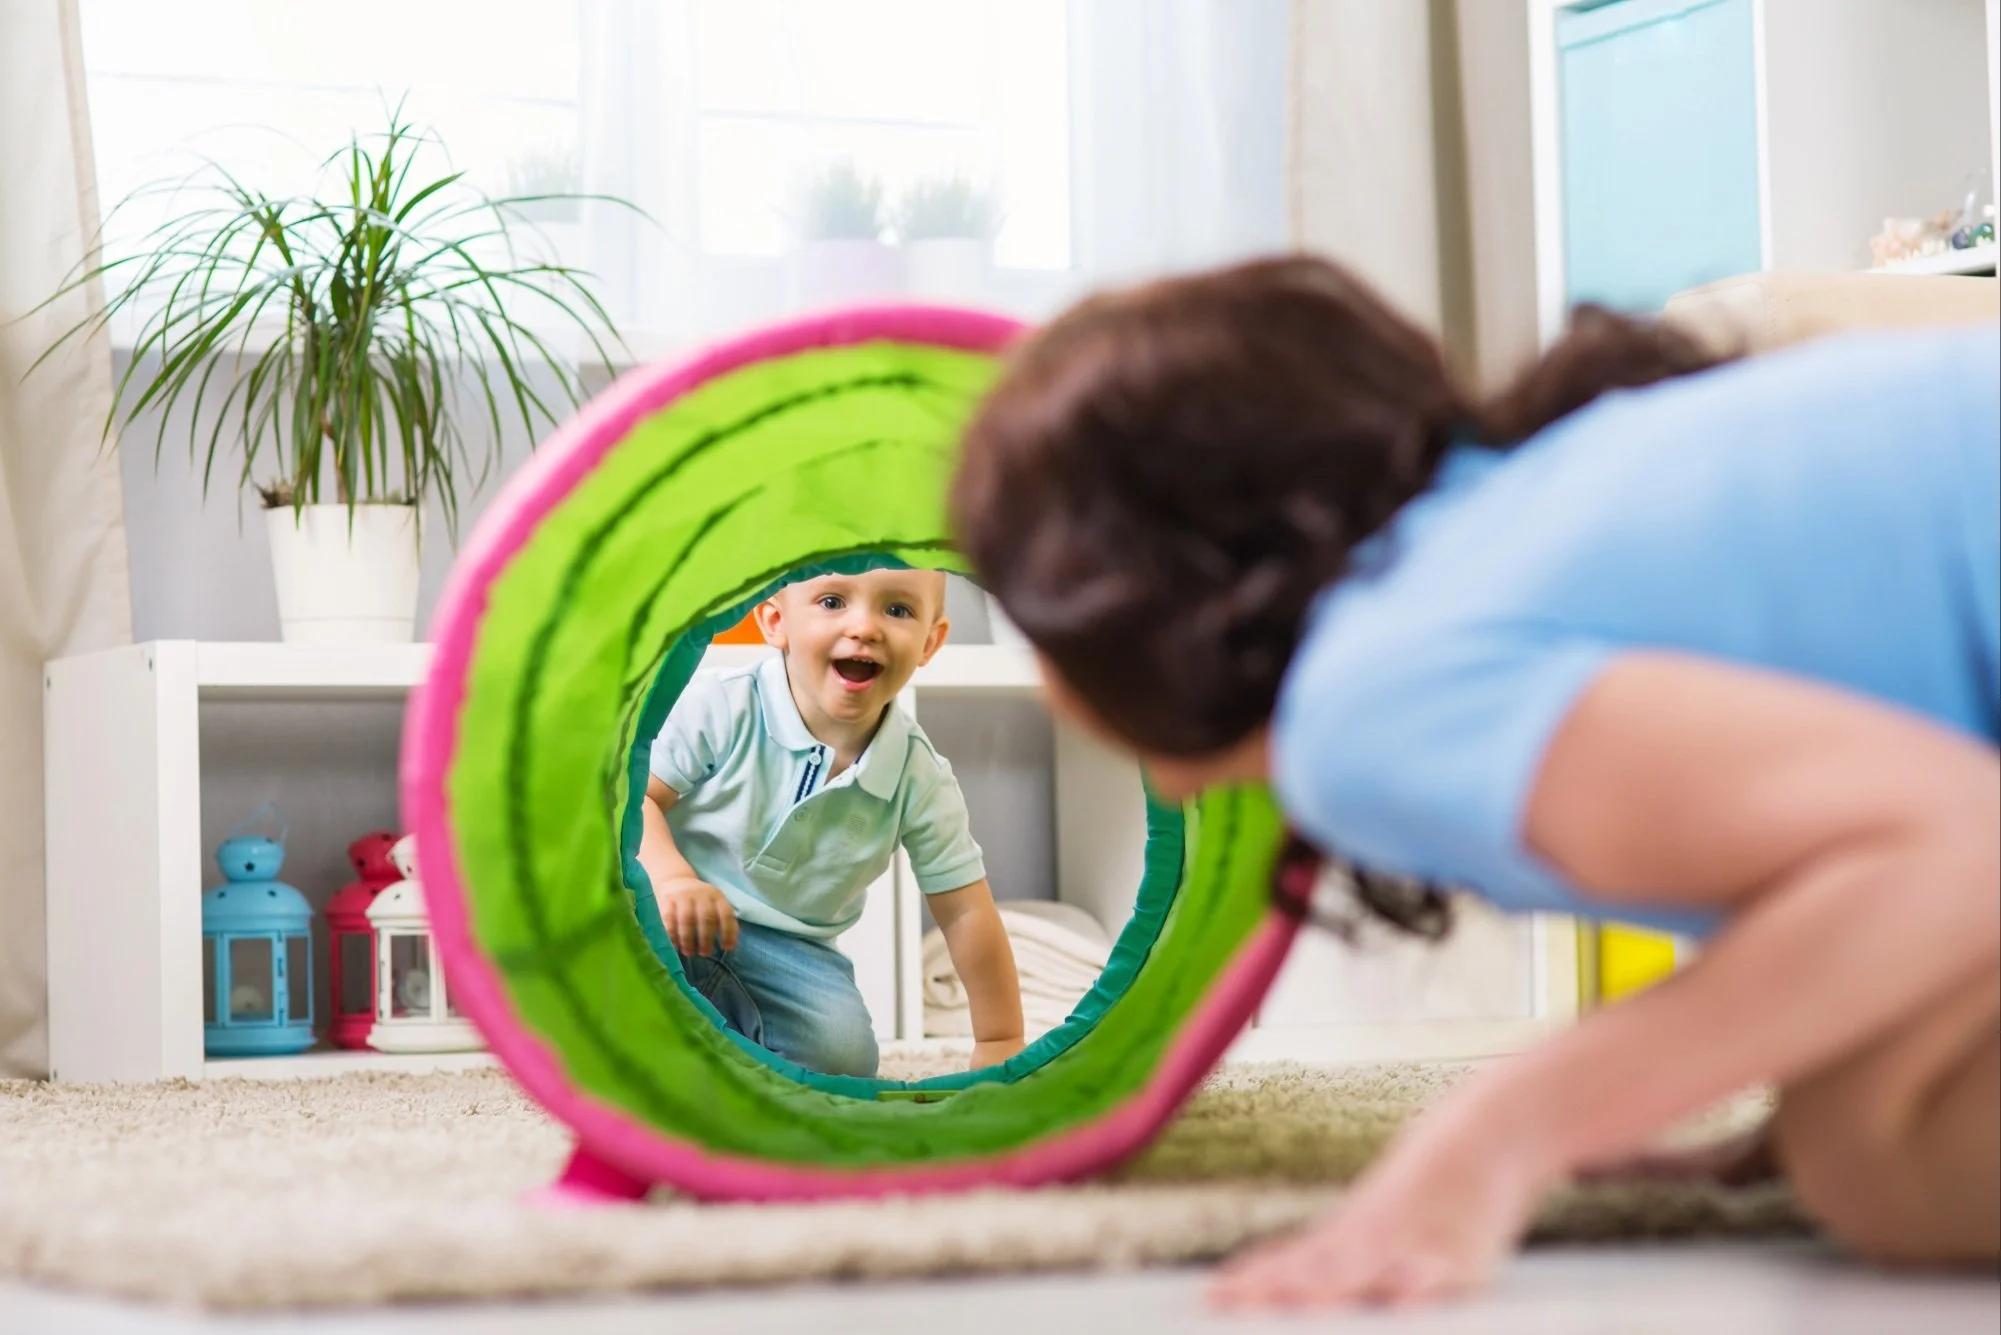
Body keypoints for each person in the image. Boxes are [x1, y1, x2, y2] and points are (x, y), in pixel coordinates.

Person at [951, 255, 1999, 1308]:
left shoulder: (1371, 690)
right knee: (1840, 1105)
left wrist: (1506, 1128)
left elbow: (1959, 842)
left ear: (1118, 604)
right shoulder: (1508, 518)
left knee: (1869, 1156)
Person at [638, 565, 1025, 1077]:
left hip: (791, 951)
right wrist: (673, 880)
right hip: (670, 911)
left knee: (843, 1058)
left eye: (897, 609)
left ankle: (712, 1045)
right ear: (775, 622)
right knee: (600, 934)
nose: (864, 626)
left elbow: (965, 911)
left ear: (931, 643)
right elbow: (634, 800)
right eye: (832, 602)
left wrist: (1001, 1037)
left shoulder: (918, 774)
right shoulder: (722, 703)